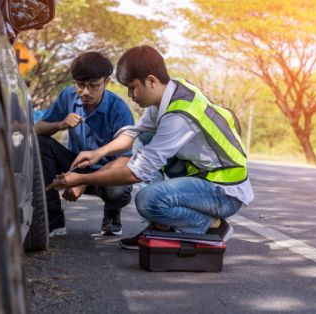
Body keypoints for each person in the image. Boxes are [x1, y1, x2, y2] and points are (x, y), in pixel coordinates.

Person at [46, 45, 254, 249]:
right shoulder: (172, 92)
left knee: (148, 201)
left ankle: (212, 225)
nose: (130, 95)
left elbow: (137, 172)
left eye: (132, 87)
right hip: (203, 176)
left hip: (223, 191)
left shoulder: (179, 115)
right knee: (144, 139)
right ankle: (159, 227)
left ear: (151, 81)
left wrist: (82, 179)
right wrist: (98, 153)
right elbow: (135, 132)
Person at [35, 51, 135, 237]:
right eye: (80, 85)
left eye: (93, 86)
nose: (85, 92)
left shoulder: (119, 109)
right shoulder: (68, 96)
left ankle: (112, 213)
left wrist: (84, 180)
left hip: (108, 172)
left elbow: (126, 159)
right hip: (76, 165)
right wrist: (60, 124)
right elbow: (37, 128)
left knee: (118, 193)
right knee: (41, 143)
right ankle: (53, 218)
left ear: (106, 81)